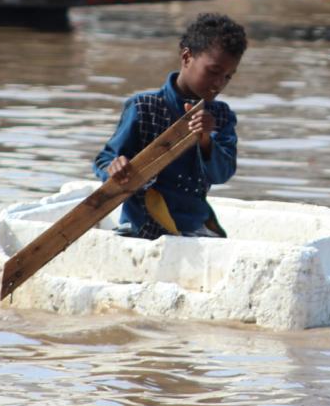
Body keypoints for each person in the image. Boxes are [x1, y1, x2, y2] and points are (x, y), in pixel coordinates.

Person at [92, 13, 247, 239]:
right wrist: (115, 168)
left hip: (194, 227)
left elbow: (222, 174)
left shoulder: (220, 116)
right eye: (213, 72)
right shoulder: (143, 107)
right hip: (141, 228)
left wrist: (205, 140)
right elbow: (104, 161)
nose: (218, 84)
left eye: (227, 77)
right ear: (186, 57)